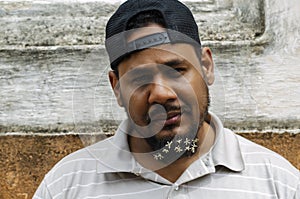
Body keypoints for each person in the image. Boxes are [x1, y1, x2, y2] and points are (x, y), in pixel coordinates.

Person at [33, 0, 299, 198]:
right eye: (139, 79)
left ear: (206, 66)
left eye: (177, 70)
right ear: (116, 88)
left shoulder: (276, 182)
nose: (161, 93)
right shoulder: (66, 186)